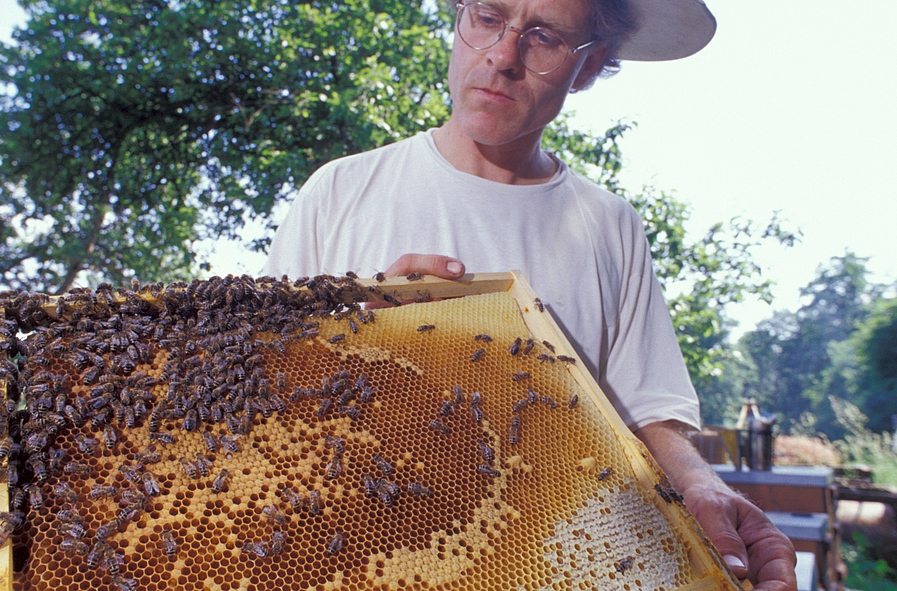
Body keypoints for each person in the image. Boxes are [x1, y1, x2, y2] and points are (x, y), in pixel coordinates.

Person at [262, 0, 797, 589]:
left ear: (588, 65)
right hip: (358, 556)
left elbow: (649, 412)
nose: (503, 56)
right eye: (488, 17)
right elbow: (260, 400)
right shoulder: (339, 192)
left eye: (543, 36)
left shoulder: (610, 225)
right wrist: (361, 349)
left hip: (554, 561)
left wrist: (701, 485)